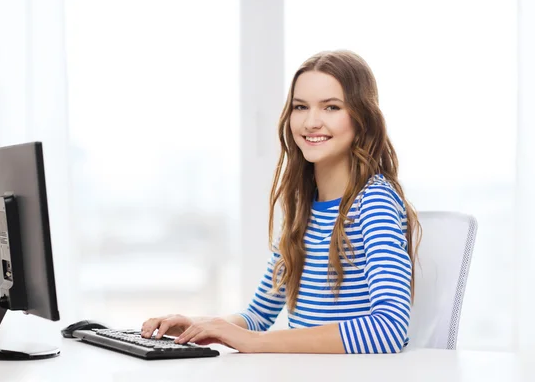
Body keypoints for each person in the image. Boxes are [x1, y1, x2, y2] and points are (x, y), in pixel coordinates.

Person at [140, 50, 421, 354]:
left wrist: (254, 342)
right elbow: (258, 316)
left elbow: (389, 329)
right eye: (301, 107)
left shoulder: (374, 200)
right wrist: (201, 326)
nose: (311, 121)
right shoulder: (303, 207)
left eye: (331, 107)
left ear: (361, 118)